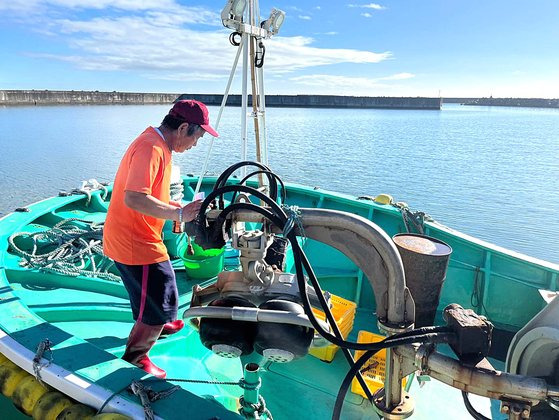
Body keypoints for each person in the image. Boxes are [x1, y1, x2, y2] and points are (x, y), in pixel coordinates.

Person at [103, 100, 219, 378]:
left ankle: (159, 323)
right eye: (197, 137)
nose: (195, 144)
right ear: (182, 128)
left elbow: (147, 194)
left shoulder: (156, 144)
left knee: (148, 291)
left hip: (132, 236)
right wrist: (179, 213)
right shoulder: (151, 148)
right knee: (162, 295)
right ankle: (136, 357)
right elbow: (134, 198)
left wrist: (174, 207)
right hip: (134, 241)